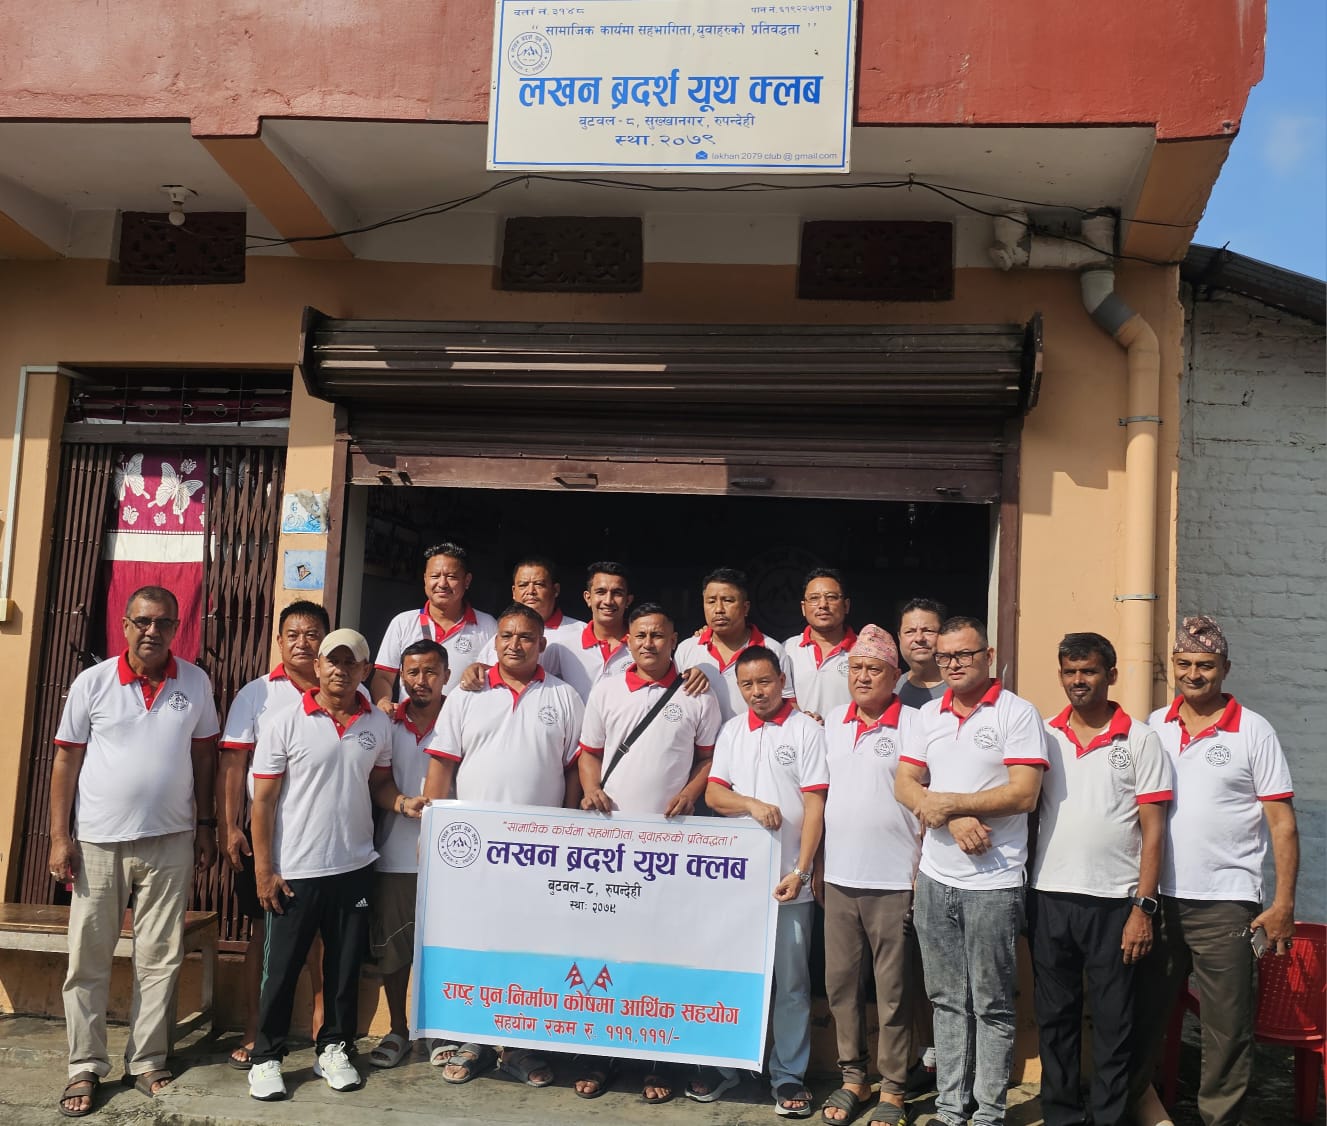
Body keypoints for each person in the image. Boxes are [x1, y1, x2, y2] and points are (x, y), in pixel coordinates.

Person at [49, 585, 219, 1116]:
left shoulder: (196, 682)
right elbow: (66, 760)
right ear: (124, 625)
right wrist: (59, 836)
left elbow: (205, 757)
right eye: (143, 621)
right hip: (99, 841)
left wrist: (206, 824)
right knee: (89, 957)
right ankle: (84, 1065)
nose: (152, 631)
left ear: (176, 629)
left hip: (172, 838)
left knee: (160, 957)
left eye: (164, 622)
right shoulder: (94, 682)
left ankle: (146, 1059)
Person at [1130, 615, 1299, 1126]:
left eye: (1205, 664)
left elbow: (1282, 824)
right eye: (1184, 663)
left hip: (1227, 904)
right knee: (1139, 1015)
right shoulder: (1154, 726)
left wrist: (1283, 904)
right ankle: (1143, 1111)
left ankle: (1219, 1120)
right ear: (1172, 667)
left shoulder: (1254, 730)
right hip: (1157, 901)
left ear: (1225, 668)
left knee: (1227, 1030)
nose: (1194, 674)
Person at [246, 629, 426, 1101]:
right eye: (333, 660)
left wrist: (402, 803)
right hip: (295, 871)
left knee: (343, 970)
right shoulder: (284, 721)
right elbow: (262, 802)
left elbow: (379, 784)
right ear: (319, 665)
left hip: (354, 866)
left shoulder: (377, 725)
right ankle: (266, 1058)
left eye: (351, 663)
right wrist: (265, 870)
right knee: (281, 971)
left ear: (365, 670)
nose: (340, 670)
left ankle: (334, 1049)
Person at [422, 602, 586, 1090]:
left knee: (530, 949)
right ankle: (473, 1041)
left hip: (539, 855)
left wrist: (569, 836)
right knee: (476, 946)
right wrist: (432, 833)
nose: (515, 644)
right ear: (495, 642)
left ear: (542, 645)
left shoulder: (564, 697)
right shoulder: (467, 694)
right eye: (507, 636)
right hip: (475, 853)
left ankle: (518, 1047)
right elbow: (442, 767)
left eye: (526, 637)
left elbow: (574, 772)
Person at [894, 615, 1048, 1126]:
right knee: (945, 1000)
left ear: (989, 655)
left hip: (994, 883)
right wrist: (953, 815)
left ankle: (988, 1113)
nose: (953, 664)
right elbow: (905, 783)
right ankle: (950, 1108)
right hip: (936, 878)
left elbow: (1024, 794)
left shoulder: (1016, 713)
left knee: (992, 1003)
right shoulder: (928, 714)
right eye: (945, 657)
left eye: (964, 654)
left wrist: (952, 804)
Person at [575, 601, 723, 1103]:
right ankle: (598, 1057)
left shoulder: (696, 692)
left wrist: (692, 793)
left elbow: (709, 758)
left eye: (658, 635)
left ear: (674, 639)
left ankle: (656, 1061)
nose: (648, 643)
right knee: (605, 953)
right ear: (628, 640)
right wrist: (591, 789)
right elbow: (590, 752)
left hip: (669, 848)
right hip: (611, 846)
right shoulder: (607, 688)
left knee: (661, 954)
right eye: (640, 635)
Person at [1030, 633, 1172, 1126]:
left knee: (1114, 1022)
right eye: (1070, 672)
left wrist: (1143, 908)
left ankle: (1109, 1118)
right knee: (1055, 1019)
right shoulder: (1044, 735)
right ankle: (1061, 1115)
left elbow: (1154, 832)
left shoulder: (1141, 740)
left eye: (1088, 671)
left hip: (1115, 904)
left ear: (1110, 675)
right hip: (1050, 896)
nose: (1078, 681)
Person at [706, 646, 828, 1119]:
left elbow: (815, 805)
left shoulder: (806, 730)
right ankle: (729, 1066)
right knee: (737, 975)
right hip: (739, 883)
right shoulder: (732, 731)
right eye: (747, 685)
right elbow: (715, 794)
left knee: (792, 983)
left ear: (781, 680)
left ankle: (788, 1074)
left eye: (764, 681)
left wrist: (802, 871)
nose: (757, 692)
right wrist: (751, 805)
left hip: (789, 881)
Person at [217, 600, 334, 1070]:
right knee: (263, 933)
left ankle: (325, 1032)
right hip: (266, 834)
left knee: (322, 936)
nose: (303, 643)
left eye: (312, 634)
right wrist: (229, 825)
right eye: (293, 634)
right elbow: (233, 763)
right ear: (279, 641)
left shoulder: (345, 689)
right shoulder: (257, 694)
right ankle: (255, 1027)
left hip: (324, 835)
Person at [817, 625, 921, 1126]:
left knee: (893, 991)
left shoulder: (917, 725)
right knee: (840, 985)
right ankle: (853, 1077)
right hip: (839, 877)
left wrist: (921, 874)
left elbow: (926, 801)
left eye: (873, 669)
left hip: (895, 879)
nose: (862, 676)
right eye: (855, 668)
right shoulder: (831, 724)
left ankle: (895, 1087)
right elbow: (817, 799)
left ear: (894, 676)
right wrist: (816, 864)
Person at [368, 638, 450, 1071]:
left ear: (446, 676)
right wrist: (402, 804)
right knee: (395, 950)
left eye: (430, 672)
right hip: (395, 852)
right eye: (413, 672)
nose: (421, 680)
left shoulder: (460, 718)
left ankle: (439, 1030)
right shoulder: (384, 723)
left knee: (443, 948)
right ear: (400, 676)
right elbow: (377, 783)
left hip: (452, 859)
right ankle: (399, 1029)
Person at [371, 542, 495, 707]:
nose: (442, 584)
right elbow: (383, 677)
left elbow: (502, 675)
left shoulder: (488, 625)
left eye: (451, 577)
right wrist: (383, 703)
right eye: (435, 576)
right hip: (410, 721)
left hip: (464, 721)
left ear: (467, 581)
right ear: (425, 579)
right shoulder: (403, 622)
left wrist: (481, 669)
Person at [675, 567, 794, 723]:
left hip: (754, 737)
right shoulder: (686, 649)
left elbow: (787, 704)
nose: (719, 609)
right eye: (711, 601)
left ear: (745, 608)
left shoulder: (772, 649)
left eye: (728, 600)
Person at [782, 568, 856, 723]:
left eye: (831, 597)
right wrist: (805, 721)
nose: (823, 605)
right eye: (814, 598)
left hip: (850, 736)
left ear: (846, 605)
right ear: (803, 608)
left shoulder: (864, 650)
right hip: (801, 736)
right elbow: (780, 699)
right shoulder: (787, 649)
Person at [557, 561, 636, 700]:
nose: (608, 601)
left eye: (617, 593)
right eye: (601, 592)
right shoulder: (564, 647)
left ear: (628, 600)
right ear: (588, 598)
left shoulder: (643, 646)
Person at [894, 598, 948, 710]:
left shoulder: (961, 688)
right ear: (899, 637)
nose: (919, 638)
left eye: (928, 631)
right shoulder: (891, 689)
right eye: (910, 631)